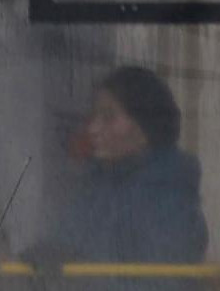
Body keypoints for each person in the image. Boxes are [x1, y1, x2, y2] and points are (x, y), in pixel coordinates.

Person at [32, 65, 208, 266]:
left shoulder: (171, 200)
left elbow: (160, 287)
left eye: (108, 117)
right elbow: (62, 244)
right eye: (94, 117)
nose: (93, 129)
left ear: (146, 127)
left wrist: (74, 283)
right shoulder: (93, 190)